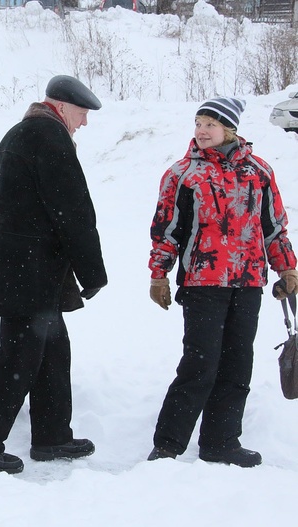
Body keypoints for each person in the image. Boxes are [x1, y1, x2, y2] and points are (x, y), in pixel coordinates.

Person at [0, 75, 108, 474]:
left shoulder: (17, 134)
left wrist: (0, 255)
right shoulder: (50, 137)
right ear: (62, 106)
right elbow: (73, 212)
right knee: (19, 356)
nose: (84, 122)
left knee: (53, 350)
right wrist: (92, 272)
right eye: (82, 113)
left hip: (20, 266)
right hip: (32, 269)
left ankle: (52, 435)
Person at [147, 97, 298, 467]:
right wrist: (159, 275)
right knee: (199, 366)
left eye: (210, 124)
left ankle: (221, 442)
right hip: (202, 282)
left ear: (229, 130)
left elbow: (274, 228)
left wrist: (287, 269)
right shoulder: (182, 174)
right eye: (198, 123)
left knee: (237, 366)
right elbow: (166, 230)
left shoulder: (259, 171)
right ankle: (167, 446)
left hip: (248, 283)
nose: (201, 131)